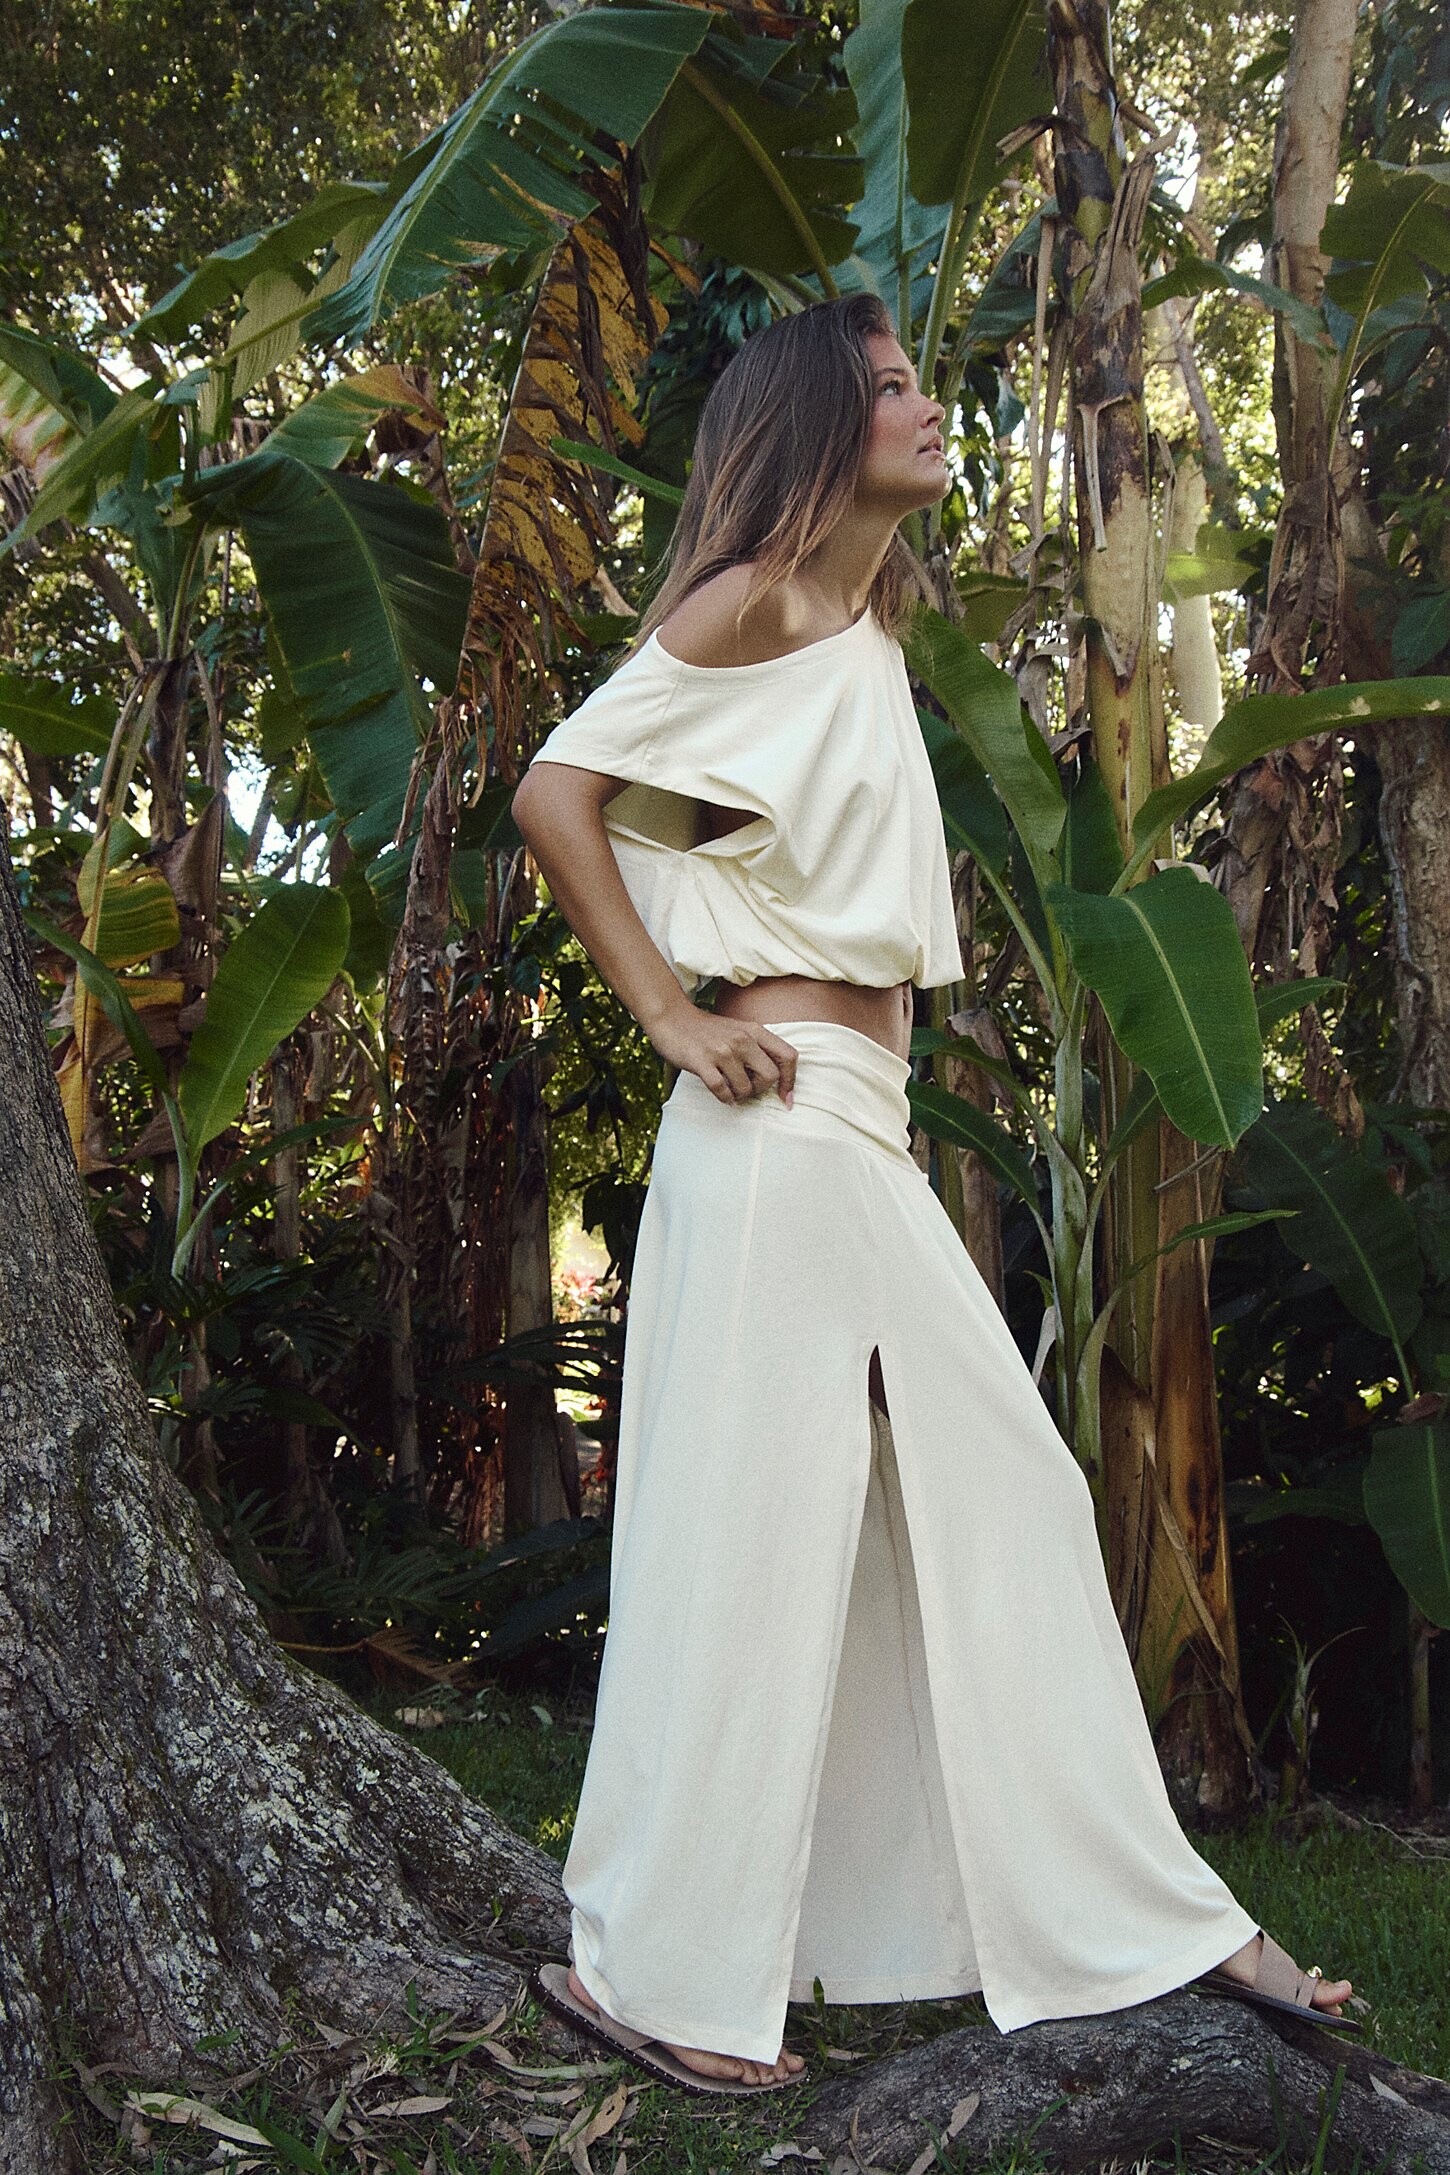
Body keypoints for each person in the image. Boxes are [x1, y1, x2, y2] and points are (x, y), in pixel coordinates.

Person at [510, 292, 1355, 2095]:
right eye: (889, 386)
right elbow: (553, 792)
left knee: (974, 1510)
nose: (922, 406)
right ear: (816, 421)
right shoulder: (751, 599)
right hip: (775, 1118)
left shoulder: (866, 632)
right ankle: (655, 1972)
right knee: (758, 1541)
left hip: (851, 1128)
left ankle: (1121, 1921)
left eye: (915, 381)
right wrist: (667, 1015)